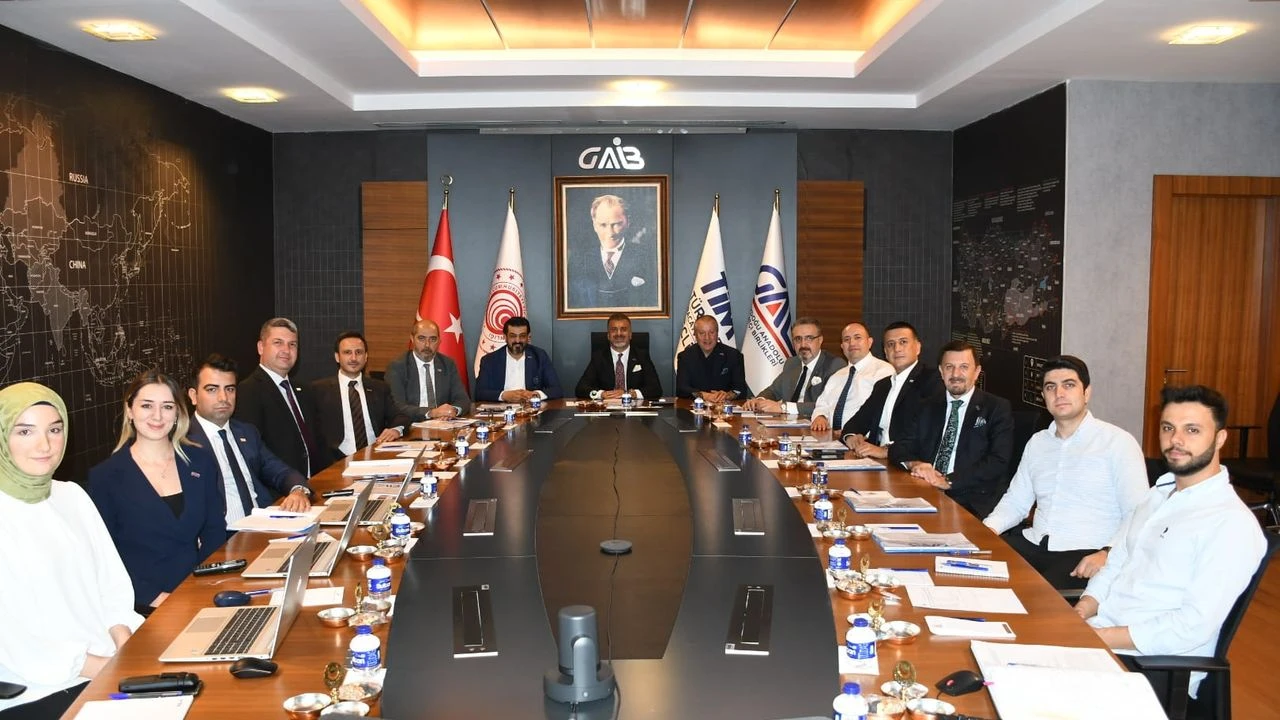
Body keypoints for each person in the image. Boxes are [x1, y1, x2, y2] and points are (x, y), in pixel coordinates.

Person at [1076, 385, 1266, 701]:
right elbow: (1117, 562)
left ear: (1220, 438)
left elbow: (1191, 626)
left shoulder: (1230, 523)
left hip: (1153, 667)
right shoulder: (1157, 495)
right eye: (1168, 428)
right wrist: (1083, 609)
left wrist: (1099, 637)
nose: (1176, 440)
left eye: (1192, 430)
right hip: (1103, 641)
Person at [0, 383, 143, 720]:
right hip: (39, 688)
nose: (45, 445)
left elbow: (111, 585)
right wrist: (106, 668)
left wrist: (124, 642)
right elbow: (15, 639)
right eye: (25, 431)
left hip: (107, 667)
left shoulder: (72, 496)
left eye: (54, 429)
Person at [982, 356, 1148, 589]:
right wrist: (987, 530)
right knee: (968, 572)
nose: (1059, 393)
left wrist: (1108, 553)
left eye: (1068, 385)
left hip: (1086, 552)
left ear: (1086, 393)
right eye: (1051, 387)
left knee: (1031, 598)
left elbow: (1139, 511)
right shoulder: (1038, 442)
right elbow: (1016, 502)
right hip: (1034, 544)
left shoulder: (1117, 442)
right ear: (1044, 397)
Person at [88, 370, 226, 615]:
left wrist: (203, 585)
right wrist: (156, 598)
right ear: (130, 410)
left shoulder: (200, 461)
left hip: (199, 594)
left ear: (177, 413)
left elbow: (214, 531)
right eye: (147, 406)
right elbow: (104, 556)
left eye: (167, 407)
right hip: (142, 606)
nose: (158, 416)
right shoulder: (105, 477)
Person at [888, 340, 1013, 518]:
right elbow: (899, 446)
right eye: (949, 367)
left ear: (977, 372)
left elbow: (998, 461)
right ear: (941, 371)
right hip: (925, 490)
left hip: (971, 498)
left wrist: (948, 481)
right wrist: (916, 464)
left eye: (964, 367)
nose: (955, 374)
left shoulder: (996, 408)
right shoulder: (926, 405)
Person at [186, 354, 311, 531]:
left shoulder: (246, 432)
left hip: (262, 527)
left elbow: (280, 471)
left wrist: (298, 490)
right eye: (212, 389)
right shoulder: (183, 442)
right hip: (221, 536)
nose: (223, 398)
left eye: (230, 389)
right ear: (193, 396)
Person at [233, 317, 322, 477]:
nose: (286, 350)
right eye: (278, 343)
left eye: (292, 344)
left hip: (315, 482)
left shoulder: (304, 390)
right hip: (281, 488)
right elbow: (253, 453)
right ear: (261, 347)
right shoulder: (248, 391)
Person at [841, 321, 943, 455]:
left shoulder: (932, 380)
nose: (897, 349)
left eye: (903, 342)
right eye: (890, 344)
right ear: (885, 352)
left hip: (906, 460)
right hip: (874, 460)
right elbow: (856, 422)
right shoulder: (883, 385)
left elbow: (925, 432)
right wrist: (851, 437)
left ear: (918, 347)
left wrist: (886, 452)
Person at [309, 331, 409, 459]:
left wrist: (395, 430)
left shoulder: (379, 388)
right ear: (337, 357)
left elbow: (400, 416)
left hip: (374, 457)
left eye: (359, 352)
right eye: (347, 352)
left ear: (366, 356)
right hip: (334, 461)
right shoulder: (318, 390)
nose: (353, 358)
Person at [567, 194, 658, 309]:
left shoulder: (647, 257)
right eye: (603, 225)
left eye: (616, 224)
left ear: (628, 222)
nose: (610, 233)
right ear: (594, 225)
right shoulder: (578, 260)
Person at [743, 317, 843, 417]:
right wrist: (758, 400)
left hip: (813, 423)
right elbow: (773, 391)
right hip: (787, 421)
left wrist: (784, 408)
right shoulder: (792, 363)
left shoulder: (834, 365)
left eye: (809, 338)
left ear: (820, 340)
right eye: (798, 339)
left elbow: (830, 405)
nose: (803, 344)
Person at [809, 322, 894, 432]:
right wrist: (820, 417)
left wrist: (850, 433)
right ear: (842, 346)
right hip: (830, 436)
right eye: (846, 339)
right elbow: (822, 404)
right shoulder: (837, 376)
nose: (852, 343)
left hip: (862, 438)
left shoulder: (884, 371)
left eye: (857, 338)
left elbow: (882, 413)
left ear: (869, 342)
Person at [384, 319, 471, 420]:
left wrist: (452, 410)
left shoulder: (447, 364)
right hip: (412, 423)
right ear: (412, 339)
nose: (427, 345)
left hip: (443, 423)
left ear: (439, 341)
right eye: (421, 338)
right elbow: (396, 406)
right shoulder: (398, 366)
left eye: (433, 339)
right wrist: (431, 413)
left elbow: (463, 399)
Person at [575, 313, 663, 400]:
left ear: (630, 335)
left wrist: (632, 394)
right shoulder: (599, 357)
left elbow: (656, 389)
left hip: (633, 406)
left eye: (623, 329)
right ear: (608, 335)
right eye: (614, 330)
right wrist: (601, 394)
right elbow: (580, 389)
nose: (619, 334)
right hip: (607, 406)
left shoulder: (641, 356)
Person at [474, 316, 564, 402]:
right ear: (505, 337)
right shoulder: (489, 360)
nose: (517, 340)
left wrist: (535, 395)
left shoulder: (539, 356)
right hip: (502, 409)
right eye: (513, 336)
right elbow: (479, 393)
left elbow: (556, 390)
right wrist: (504, 396)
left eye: (522, 336)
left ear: (528, 337)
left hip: (530, 408)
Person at [675, 314, 751, 401]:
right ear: (695, 335)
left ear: (717, 333)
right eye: (702, 333)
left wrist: (728, 395)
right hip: (695, 407)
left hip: (724, 406)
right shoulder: (685, 357)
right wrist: (704, 395)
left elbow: (740, 390)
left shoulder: (733, 355)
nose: (707, 338)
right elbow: (681, 389)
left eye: (711, 332)